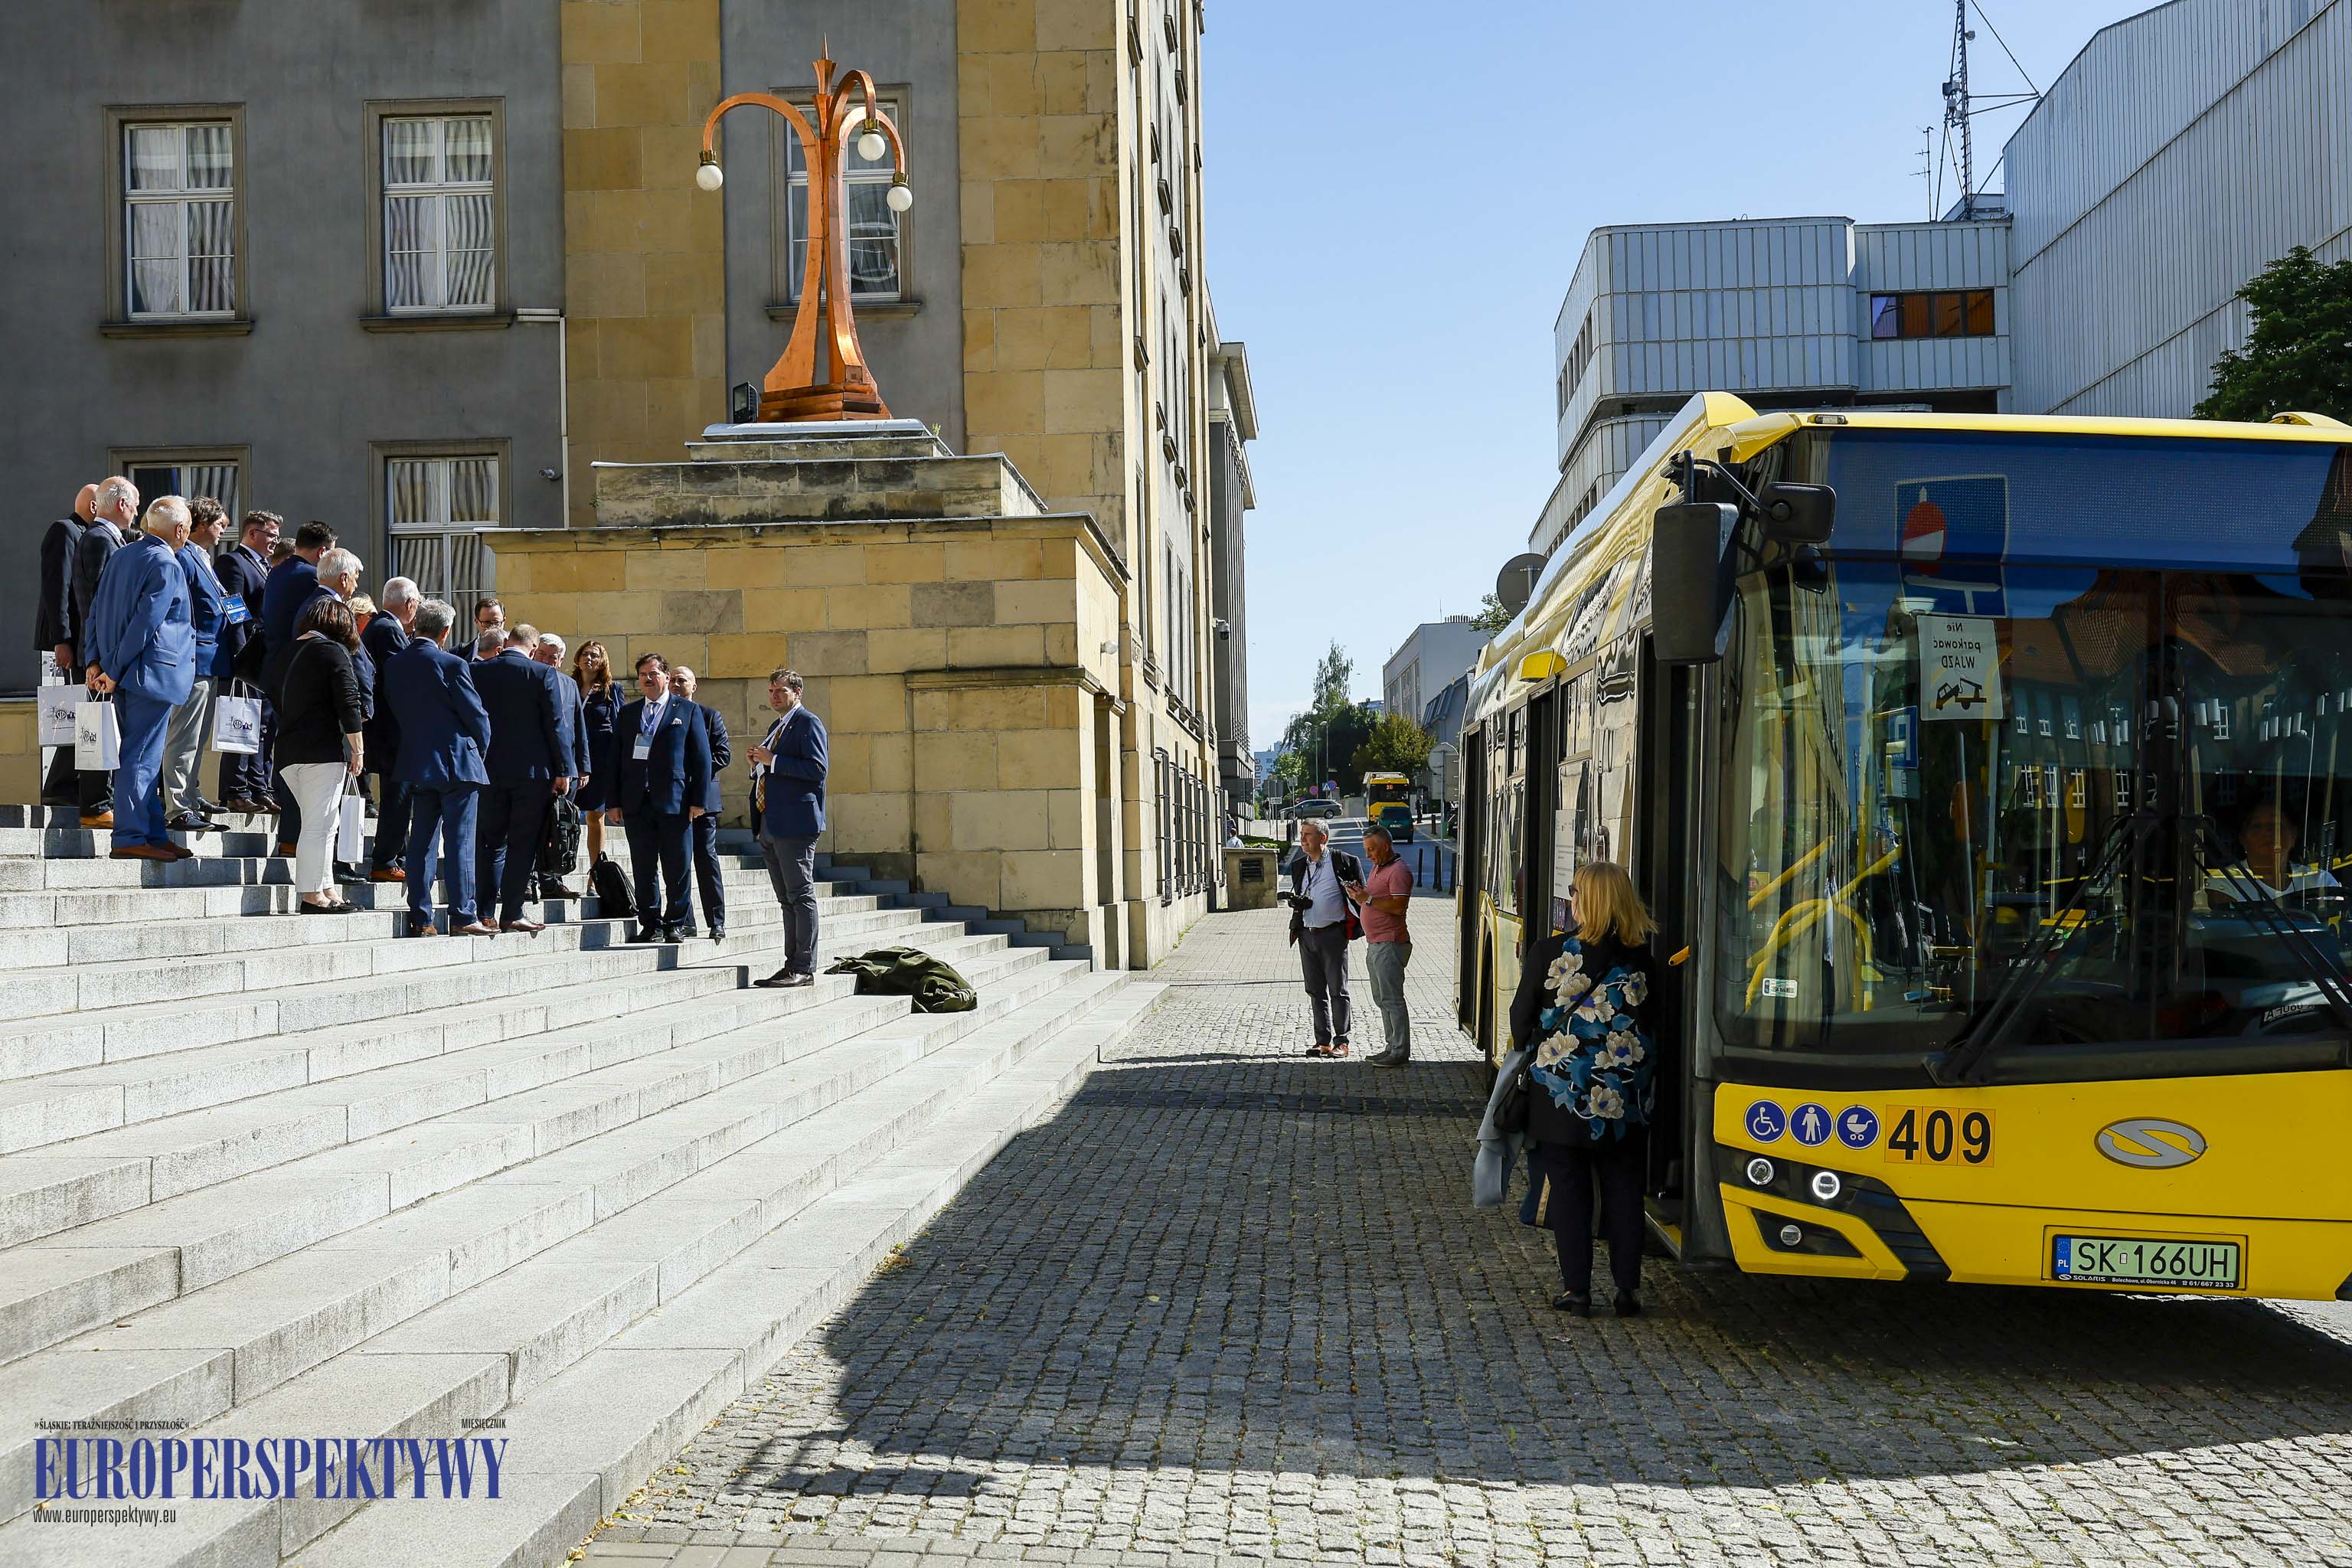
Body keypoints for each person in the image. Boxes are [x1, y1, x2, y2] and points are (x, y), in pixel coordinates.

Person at [1508, 860, 1661, 1318]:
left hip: (1562, 1097)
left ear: (1586, 901)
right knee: (1624, 1189)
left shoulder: (1549, 953)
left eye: (1574, 891)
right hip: (1625, 1098)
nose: (1569, 898)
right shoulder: (1643, 960)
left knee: (1570, 1193)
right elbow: (1658, 1025)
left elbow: (1520, 1020)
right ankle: (1627, 1290)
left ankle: (1577, 1290)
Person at [84, 495, 195, 861]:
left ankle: (152, 832)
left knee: (140, 753)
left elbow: (95, 611)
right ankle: (131, 835)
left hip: (125, 672)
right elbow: (146, 623)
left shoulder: (123, 553)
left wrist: (96, 662)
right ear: (179, 530)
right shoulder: (166, 562)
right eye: (189, 528)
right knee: (142, 756)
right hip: (149, 674)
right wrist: (111, 669)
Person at [384, 599, 495, 937]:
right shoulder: (453, 664)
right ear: (445, 632)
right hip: (458, 762)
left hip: (418, 761)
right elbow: (477, 718)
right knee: (460, 841)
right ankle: (463, 915)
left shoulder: (394, 664)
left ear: (415, 623)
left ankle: (422, 916)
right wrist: (479, 752)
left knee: (421, 842)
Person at [472, 623, 573, 933]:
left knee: (488, 843)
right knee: (522, 843)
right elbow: (555, 724)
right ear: (532, 648)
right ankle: (512, 911)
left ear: (506, 642)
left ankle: (485, 912)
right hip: (533, 773)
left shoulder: (479, 671)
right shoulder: (542, 674)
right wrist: (563, 769)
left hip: (489, 770)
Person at [606, 651, 710, 944]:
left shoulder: (687, 711)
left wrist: (698, 799)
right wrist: (613, 801)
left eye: (653, 674)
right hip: (637, 802)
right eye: (643, 675)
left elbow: (701, 759)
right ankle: (650, 923)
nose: (648, 679)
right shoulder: (628, 713)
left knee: (677, 864)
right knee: (643, 865)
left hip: (675, 801)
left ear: (666, 676)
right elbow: (615, 760)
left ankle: (676, 922)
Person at [274, 597, 369, 913]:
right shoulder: (332, 651)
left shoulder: (286, 652)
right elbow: (349, 703)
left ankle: (326, 887)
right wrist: (357, 749)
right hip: (321, 750)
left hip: (287, 750)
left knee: (325, 822)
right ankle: (311, 895)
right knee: (320, 824)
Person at [748, 668, 827, 988]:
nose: (774, 696)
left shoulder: (808, 722)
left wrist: (773, 760)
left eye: (781, 691)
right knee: (786, 899)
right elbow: (771, 768)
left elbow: (817, 769)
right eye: (771, 691)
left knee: (800, 894)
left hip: (795, 823)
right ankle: (790, 964)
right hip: (770, 821)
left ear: (797, 692)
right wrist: (758, 766)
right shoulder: (776, 726)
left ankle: (804, 968)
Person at [158, 496, 232, 831]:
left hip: (211, 660)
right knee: (184, 736)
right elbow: (181, 611)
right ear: (199, 524)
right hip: (194, 660)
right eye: (219, 525)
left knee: (198, 736)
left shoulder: (203, 557)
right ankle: (178, 805)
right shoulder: (185, 557)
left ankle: (189, 794)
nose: (222, 532)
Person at [72, 476, 141, 828]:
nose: (137, 513)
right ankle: (97, 804)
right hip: (103, 655)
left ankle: (101, 801)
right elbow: (100, 605)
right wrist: (97, 658)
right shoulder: (100, 539)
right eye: (135, 504)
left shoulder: (108, 538)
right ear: (121, 504)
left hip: (105, 653)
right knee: (99, 728)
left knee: (106, 727)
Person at [214, 510, 280, 813]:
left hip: (264, 659)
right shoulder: (233, 562)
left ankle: (258, 785)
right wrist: (242, 658)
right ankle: (235, 788)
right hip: (245, 658)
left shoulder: (266, 566)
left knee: (261, 725)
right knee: (240, 722)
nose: (274, 543)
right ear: (253, 533)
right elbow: (235, 611)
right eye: (271, 536)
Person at [36, 484, 95, 807]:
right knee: (76, 709)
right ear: (94, 506)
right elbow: (56, 588)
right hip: (70, 638)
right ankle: (60, 784)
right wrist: (61, 640)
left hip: (82, 637)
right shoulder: (65, 530)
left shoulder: (88, 534)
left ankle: (67, 782)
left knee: (82, 709)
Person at [1283, 817, 1362, 1057]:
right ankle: (1323, 1041)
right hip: (1307, 934)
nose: (1303, 839)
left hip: (1333, 934)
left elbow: (1360, 898)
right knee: (1315, 991)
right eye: (1302, 834)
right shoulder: (1299, 865)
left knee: (1338, 990)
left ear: (1323, 838)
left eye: (1308, 834)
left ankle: (1342, 1041)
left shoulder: (1343, 862)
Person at [360, 578, 420, 883]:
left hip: (385, 731)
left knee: (400, 796)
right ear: (410, 603)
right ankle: (385, 859)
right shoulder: (387, 630)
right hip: (391, 732)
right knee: (399, 797)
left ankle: (397, 854)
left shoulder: (380, 626)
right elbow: (404, 679)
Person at [668, 664, 730, 939]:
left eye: (682, 681)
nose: (676, 684)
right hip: (672, 799)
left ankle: (716, 921)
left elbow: (722, 755)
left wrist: (692, 775)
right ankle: (686, 919)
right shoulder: (663, 715)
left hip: (703, 800)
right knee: (677, 862)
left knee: (706, 859)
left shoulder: (709, 716)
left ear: (694, 687)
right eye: (672, 680)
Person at [1350, 822, 1416, 1067]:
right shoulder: (1379, 868)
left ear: (1386, 846)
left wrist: (1366, 899)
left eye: (1372, 850)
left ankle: (1400, 1050)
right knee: (1382, 999)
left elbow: (1399, 907)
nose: (1368, 855)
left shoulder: (1398, 871)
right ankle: (1391, 1046)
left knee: (1392, 999)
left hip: (1390, 943)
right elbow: (1372, 901)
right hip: (1376, 944)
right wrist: (1359, 895)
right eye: (1366, 850)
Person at [2207, 798, 2343, 904]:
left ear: (2294, 835)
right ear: (2242, 838)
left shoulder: (2320, 882)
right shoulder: (2225, 883)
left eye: (2275, 825)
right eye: (2257, 826)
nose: (2266, 833)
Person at [573, 641, 619, 867]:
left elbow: (619, 727)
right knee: (563, 815)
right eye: (584, 654)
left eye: (594, 655)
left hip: (600, 761)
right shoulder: (567, 684)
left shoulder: (611, 690)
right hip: (570, 759)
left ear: (602, 661)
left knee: (594, 816)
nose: (588, 658)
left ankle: (595, 872)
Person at [465, 596, 505, 660]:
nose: (492, 627)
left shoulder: (516, 652)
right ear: (476, 621)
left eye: (496, 622)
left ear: (504, 621)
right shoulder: (459, 652)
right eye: (486, 622)